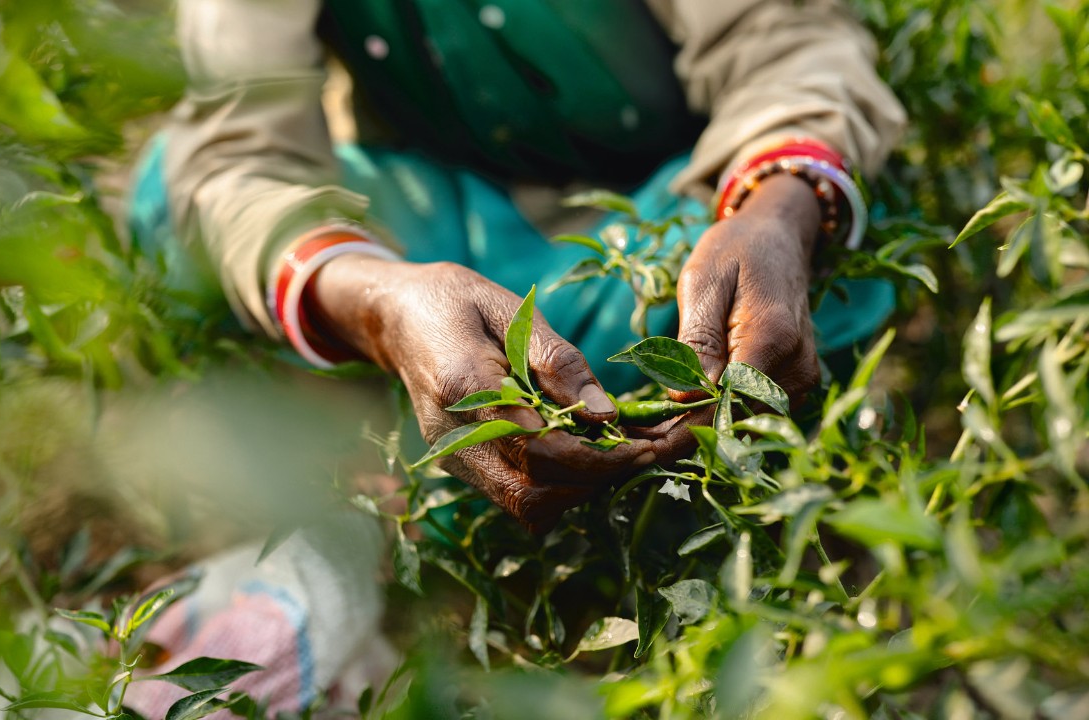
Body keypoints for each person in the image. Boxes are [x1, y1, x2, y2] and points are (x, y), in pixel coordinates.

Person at [129, 0, 906, 534]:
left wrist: (772, 211)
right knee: (175, 198)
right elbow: (239, 151)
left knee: (771, 282)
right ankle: (436, 388)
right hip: (435, 218)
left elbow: (784, 43)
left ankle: (428, 441)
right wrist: (381, 303)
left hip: (664, 202)